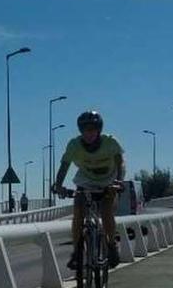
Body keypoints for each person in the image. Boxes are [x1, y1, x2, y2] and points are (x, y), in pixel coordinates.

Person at [51, 110, 125, 270]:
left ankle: (111, 246)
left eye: (92, 130)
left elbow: (120, 163)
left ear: (99, 130)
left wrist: (119, 181)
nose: (89, 134)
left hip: (109, 180)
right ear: (81, 131)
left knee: (106, 212)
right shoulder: (74, 145)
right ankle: (77, 251)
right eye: (85, 130)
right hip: (86, 181)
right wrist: (58, 185)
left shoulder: (110, 143)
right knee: (78, 212)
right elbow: (64, 167)